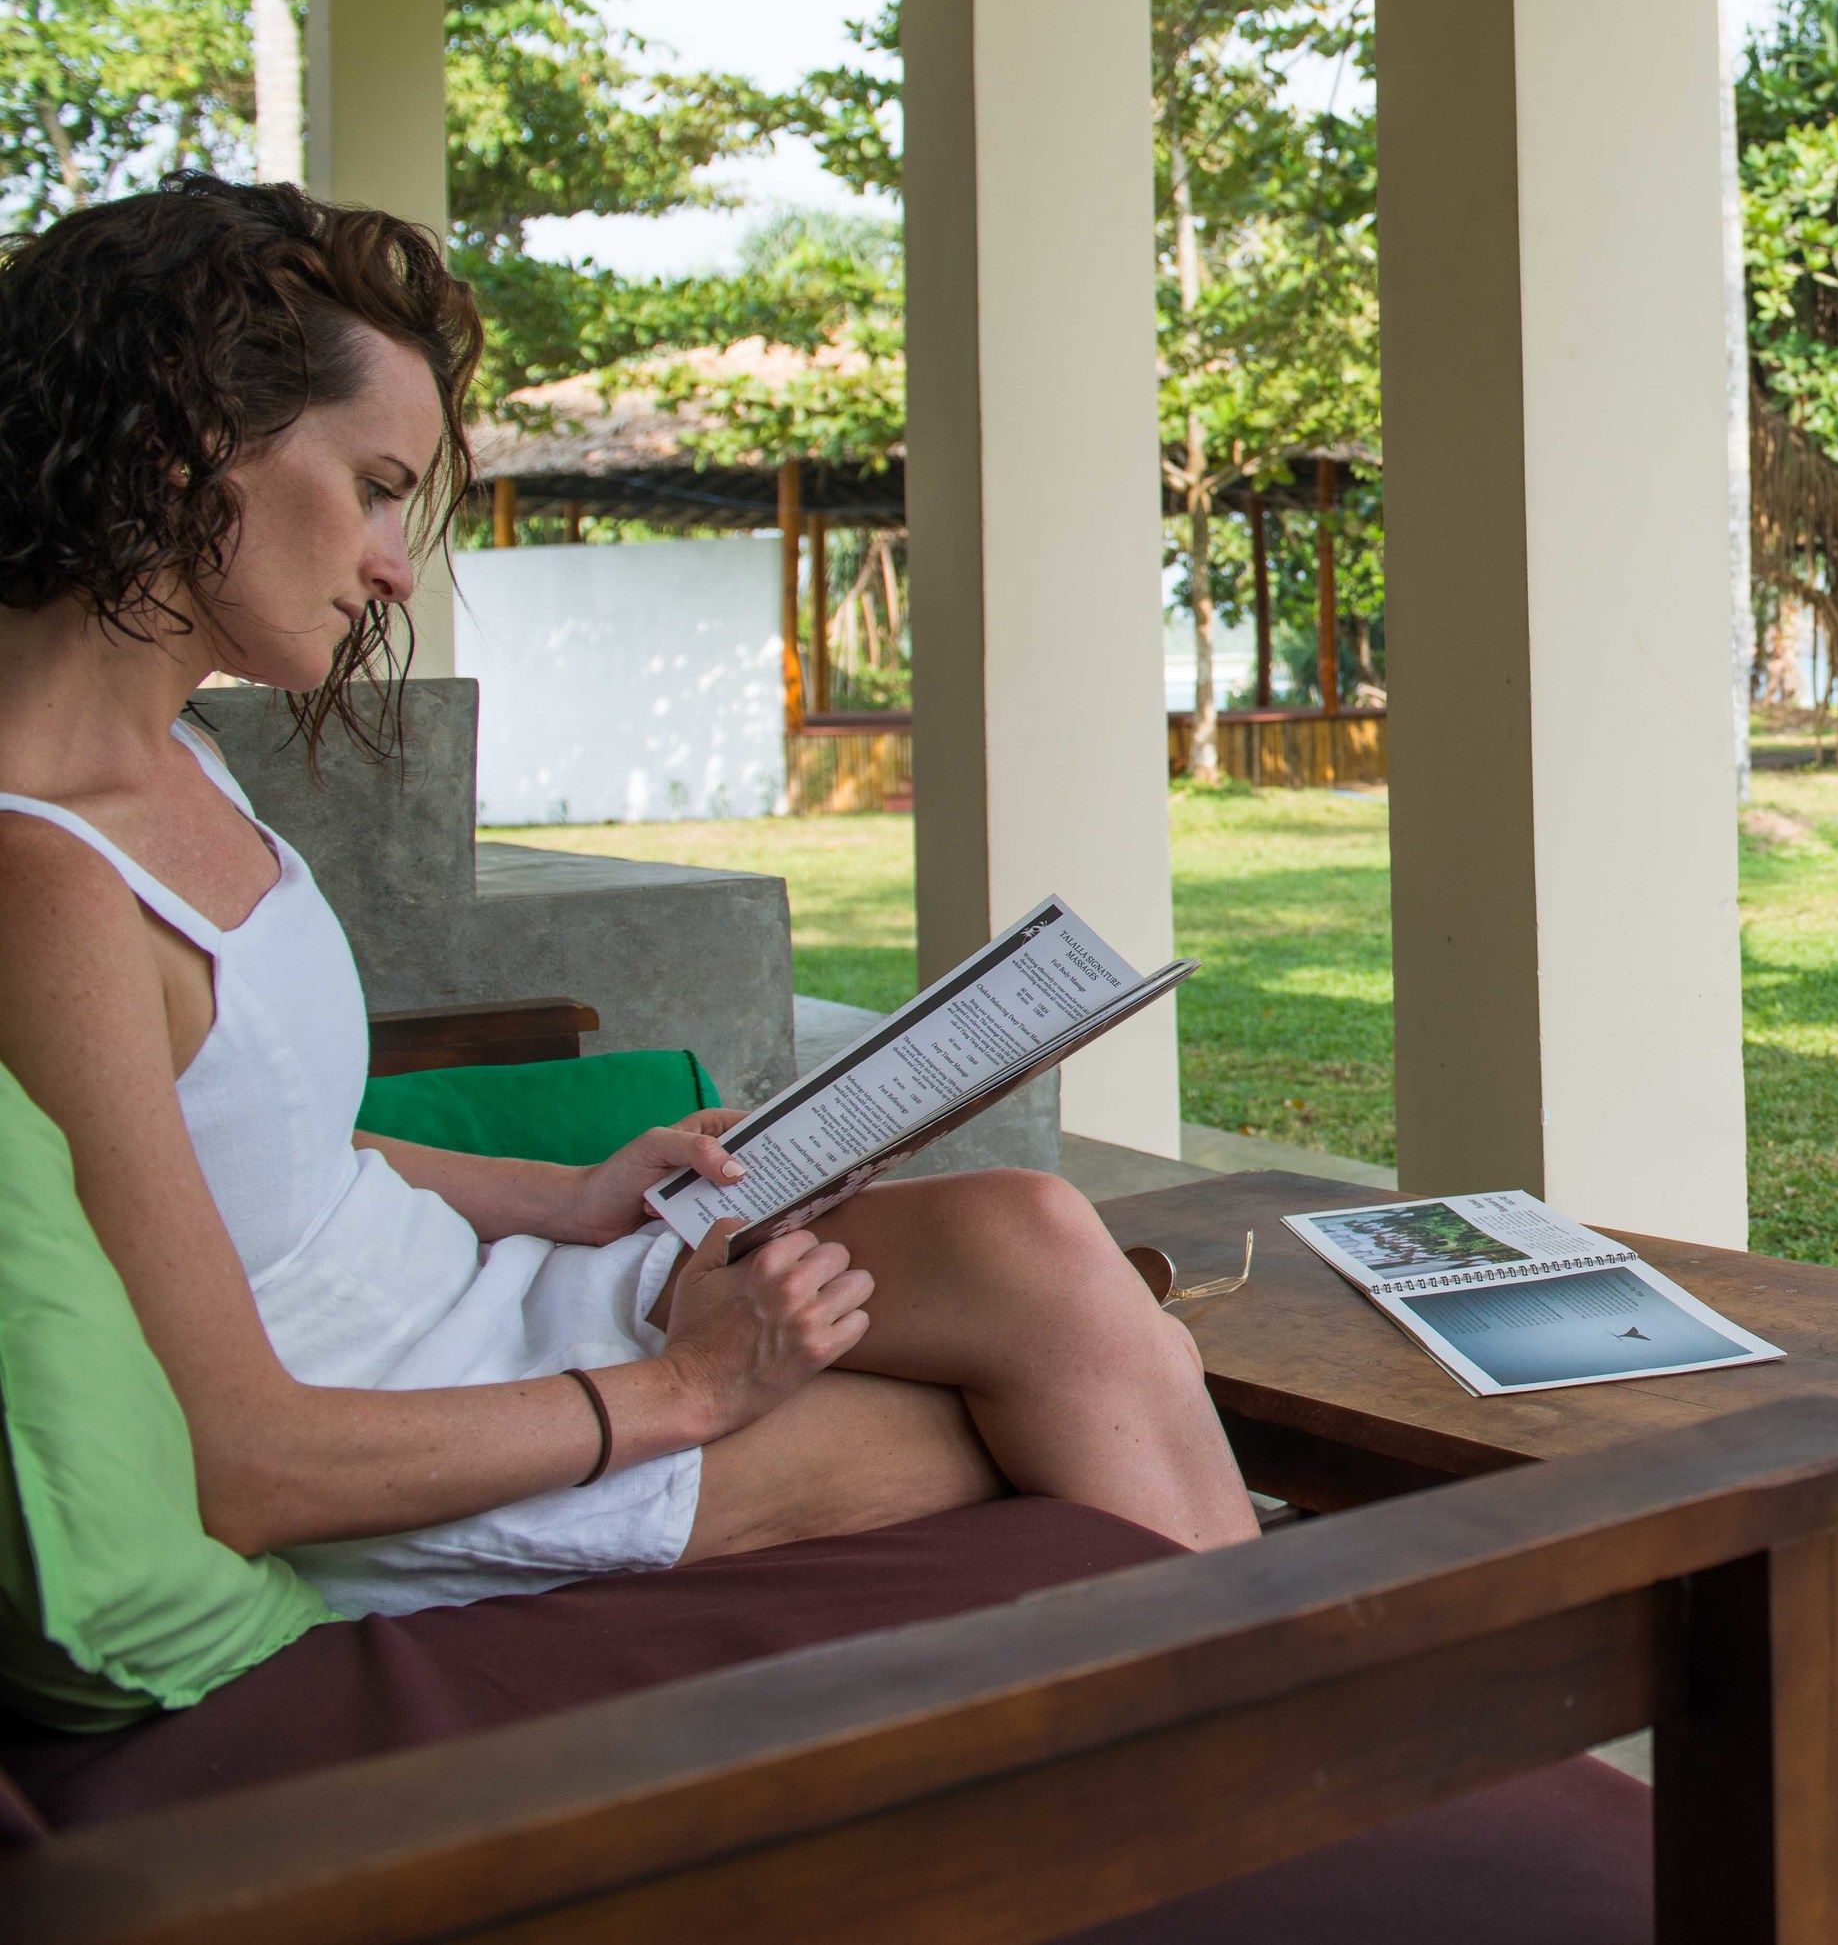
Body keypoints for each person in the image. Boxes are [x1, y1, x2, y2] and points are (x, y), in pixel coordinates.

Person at [0, 179, 1255, 1617]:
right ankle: (1302, 1714)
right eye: (376, 487)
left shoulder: (184, 756)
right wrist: (686, 1390)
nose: (393, 568)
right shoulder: (47, 880)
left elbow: (259, 1149)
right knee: (1048, 1413)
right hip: (390, 1430)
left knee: (1027, 1233)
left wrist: (577, 1197)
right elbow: (241, 1463)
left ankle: (1299, 1687)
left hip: (468, 1304)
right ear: (183, 440)